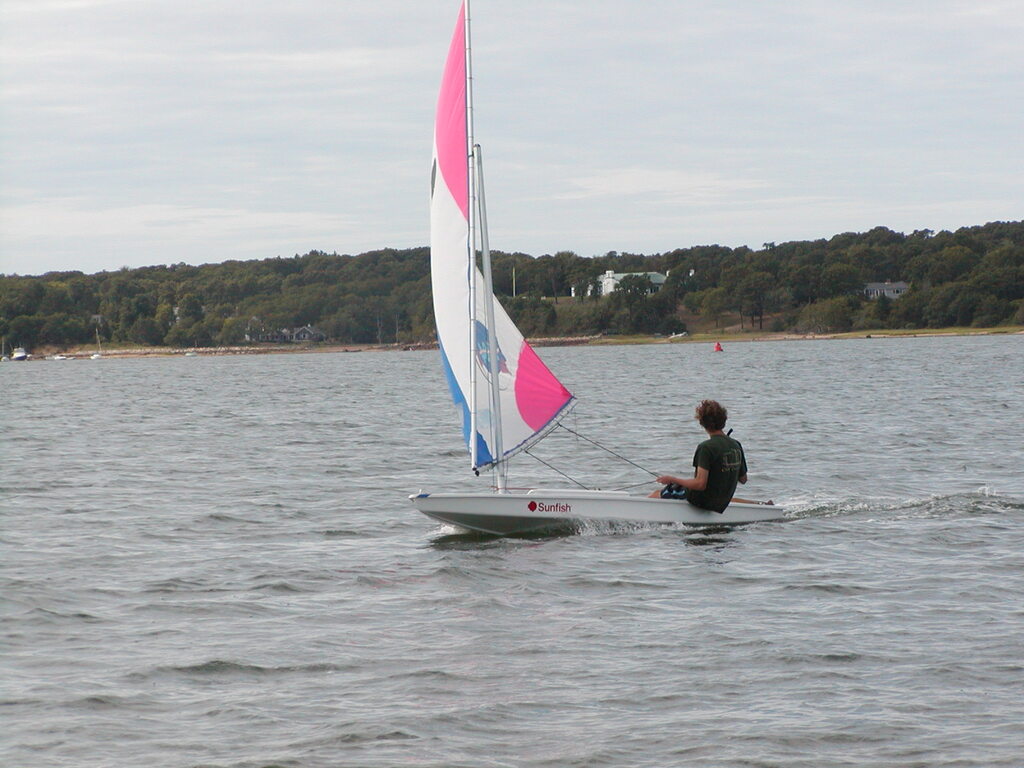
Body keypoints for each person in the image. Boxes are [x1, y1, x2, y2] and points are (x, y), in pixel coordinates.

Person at [649, 399, 754, 512]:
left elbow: (700, 484)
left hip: (702, 501)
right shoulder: (736, 445)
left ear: (702, 423)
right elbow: (743, 479)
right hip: (721, 502)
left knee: (657, 494)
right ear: (723, 420)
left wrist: (673, 479)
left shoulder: (706, 447)